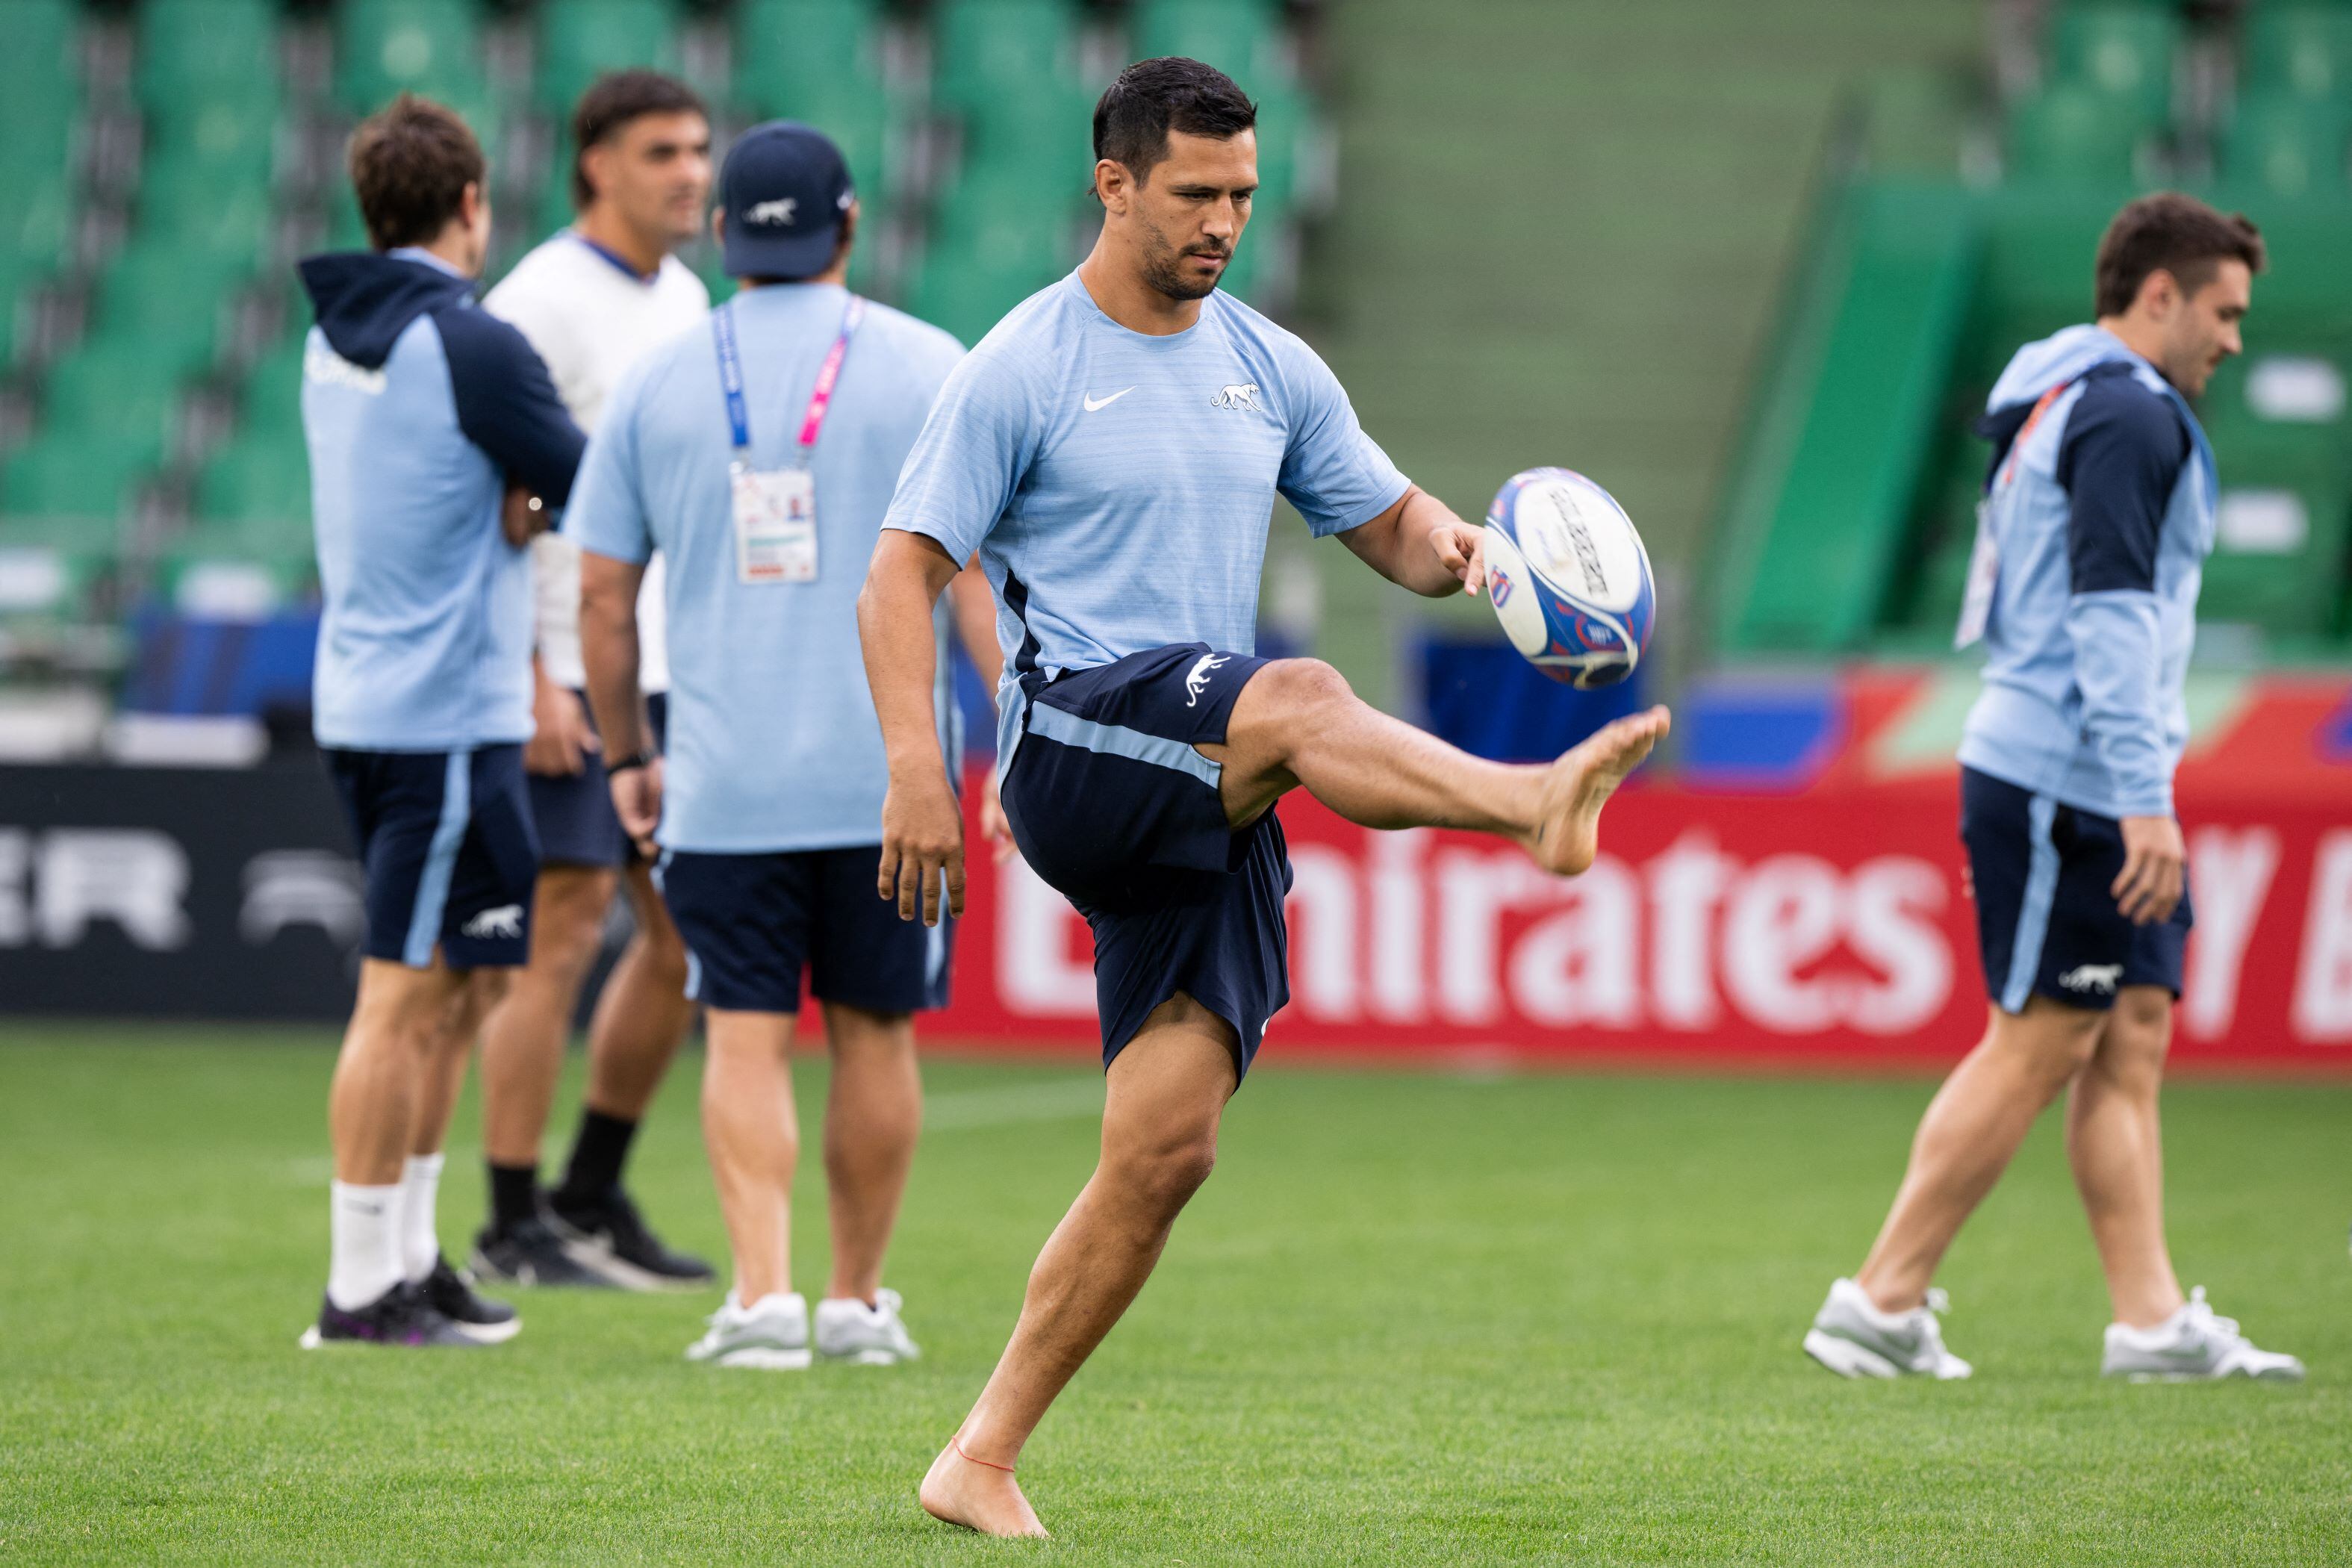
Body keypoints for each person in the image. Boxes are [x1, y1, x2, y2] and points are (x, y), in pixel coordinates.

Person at [858, 58, 1668, 1534]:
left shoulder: (1270, 363)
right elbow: (901, 571)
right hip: (1082, 745)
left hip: (1196, 774)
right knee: (1296, 697)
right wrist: (927, 764)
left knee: (1164, 1153)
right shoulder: (1022, 366)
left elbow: (1398, 528)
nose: (1227, 221)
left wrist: (1493, 563)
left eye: (1243, 193)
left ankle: (976, 1457)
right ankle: (1531, 805)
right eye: (1195, 194)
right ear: (1113, 184)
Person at [1801, 193, 2302, 1384]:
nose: (2233, 339)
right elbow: (2112, 617)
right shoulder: (2129, 415)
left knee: (2126, 1033)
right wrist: (2143, 797)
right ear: (2159, 294)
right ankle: (1878, 1299)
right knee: (2038, 1041)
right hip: (2068, 776)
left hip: (2075, 766)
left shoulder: (2068, 396)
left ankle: (2148, 1321)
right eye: (2222, 312)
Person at [566, 122, 1007, 1368]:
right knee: (876, 1031)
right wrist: (1012, 738)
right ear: (851, 226)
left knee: (744, 1031)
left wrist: (624, 759)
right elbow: (979, 582)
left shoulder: (657, 377)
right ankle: (857, 1303)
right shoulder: (932, 366)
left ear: (722, 237)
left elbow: (601, 596)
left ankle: (759, 1297)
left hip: (721, 777)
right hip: (891, 780)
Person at [296, 95, 585, 1348]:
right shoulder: (472, 339)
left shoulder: (335, 334)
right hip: (441, 716)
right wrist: (525, 508)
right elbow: (583, 478)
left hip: (376, 695)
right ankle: (356, 1292)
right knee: (402, 994)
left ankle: (409, 1260)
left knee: (462, 985)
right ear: (471, 205)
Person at [470, 70, 717, 1291]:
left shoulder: (683, 295)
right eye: (663, 151)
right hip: (565, 664)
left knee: (683, 936)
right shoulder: (539, 301)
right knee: (561, 930)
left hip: (666, 661)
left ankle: (588, 1189)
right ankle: (509, 1217)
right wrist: (527, 672)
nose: (691, 173)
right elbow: (490, 502)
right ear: (596, 164)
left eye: (700, 151)